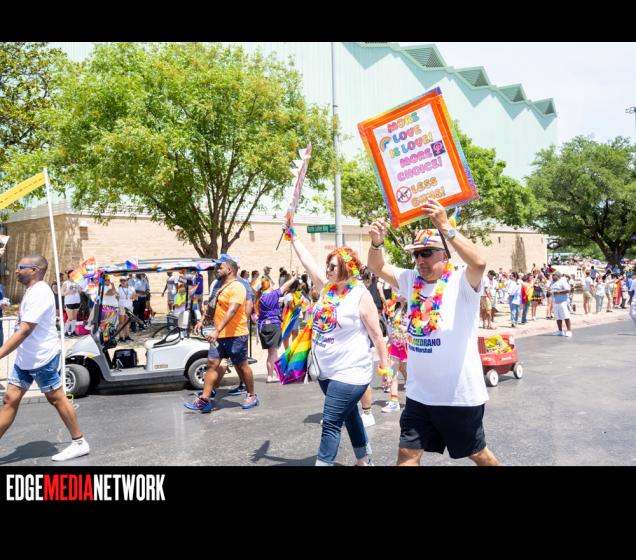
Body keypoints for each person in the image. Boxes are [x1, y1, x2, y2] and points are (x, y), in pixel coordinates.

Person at [367, 200, 499, 466]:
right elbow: (377, 267)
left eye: (426, 253)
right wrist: (376, 243)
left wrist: (445, 226)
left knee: (478, 454)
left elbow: (479, 263)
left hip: (459, 397)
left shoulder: (461, 281)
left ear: (444, 255)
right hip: (419, 396)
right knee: (407, 454)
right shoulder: (410, 280)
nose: (419, 260)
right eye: (416, 254)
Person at [286, 228, 389, 466]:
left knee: (331, 421)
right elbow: (307, 262)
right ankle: (364, 460)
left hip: (351, 372)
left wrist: (385, 369)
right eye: (328, 266)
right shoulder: (327, 289)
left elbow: (377, 335)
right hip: (326, 371)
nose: (328, 270)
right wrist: (293, 236)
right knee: (351, 416)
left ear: (346, 268)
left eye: (333, 266)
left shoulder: (360, 296)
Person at [0, 255, 90, 461]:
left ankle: (79, 443)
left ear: (34, 270)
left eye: (20, 267)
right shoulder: (32, 291)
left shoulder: (40, 293)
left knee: (56, 398)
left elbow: (24, 330)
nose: (16, 271)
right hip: (26, 358)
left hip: (42, 357)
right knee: (10, 399)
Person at [186, 257, 258, 412]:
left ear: (229, 269)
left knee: (242, 365)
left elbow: (232, 310)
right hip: (219, 335)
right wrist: (202, 321)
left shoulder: (238, 286)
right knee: (212, 363)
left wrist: (217, 330)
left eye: (220, 267)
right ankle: (204, 399)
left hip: (236, 334)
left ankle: (252, 395)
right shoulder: (220, 285)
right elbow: (211, 305)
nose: (217, 269)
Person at [255, 273, 301, 383]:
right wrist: (293, 278)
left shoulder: (260, 297)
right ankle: (270, 376)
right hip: (273, 326)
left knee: (272, 352)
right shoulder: (273, 295)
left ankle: (275, 374)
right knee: (272, 353)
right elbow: (285, 286)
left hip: (263, 326)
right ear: (268, 286)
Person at [382, 297, 408, 413]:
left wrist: (405, 329)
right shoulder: (395, 308)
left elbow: (419, 326)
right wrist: (390, 338)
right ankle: (394, 401)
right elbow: (391, 325)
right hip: (395, 345)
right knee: (392, 372)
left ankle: (414, 401)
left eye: (398, 290)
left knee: (409, 374)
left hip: (408, 346)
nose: (395, 293)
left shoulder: (412, 307)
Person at [550, 271, 573, 337]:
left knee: (566, 316)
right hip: (555, 302)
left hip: (563, 301)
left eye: (554, 275)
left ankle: (569, 331)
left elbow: (568, 290)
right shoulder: (552, 282)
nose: (552, 276)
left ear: (558, 276)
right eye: (552, 275)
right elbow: (550, 289)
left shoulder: (563, 282)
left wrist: (558, 292)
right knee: (558, 317)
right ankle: (560, 331)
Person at [62, 269, 82, 337]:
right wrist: (69, 292)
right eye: (73, 274)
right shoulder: (66, 283)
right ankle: (65, 332)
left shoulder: (77, 282)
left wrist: (79, 289)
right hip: (69, 302)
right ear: (69, 275)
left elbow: (80, 291)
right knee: (70, 318)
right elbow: (62, 293)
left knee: (74, 317)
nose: (74, 275)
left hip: (77, 301)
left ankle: (73, 331)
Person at [117, 276, 136, 342]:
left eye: (124, 280)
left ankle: (127, 336)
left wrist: (134, 296)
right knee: (121, 322)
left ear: (127, 281)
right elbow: (116, 297)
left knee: (127, 322)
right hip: (121, 306)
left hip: (129, 306)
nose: (123, 282)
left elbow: (135, 297)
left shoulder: (132, 288)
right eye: (121, 280)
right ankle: (121, 337)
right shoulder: (118, 289)